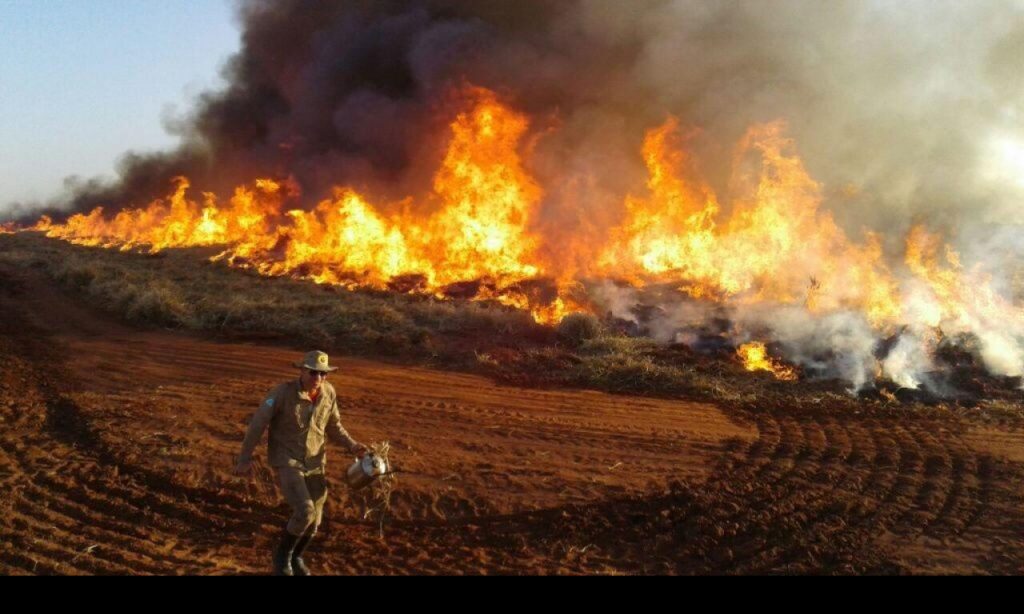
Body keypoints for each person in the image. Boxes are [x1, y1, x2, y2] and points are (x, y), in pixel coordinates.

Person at [235, 350, 367, 576]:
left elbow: (334, 426)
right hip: (287, 459)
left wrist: (353, 445)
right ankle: (281, 558)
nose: (318, 378)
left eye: (323, 374)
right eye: (313, 372)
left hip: (315, 461)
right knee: (305, 510)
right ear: (302, 371)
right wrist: (244, 459)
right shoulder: (281, 393)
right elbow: (257, 424)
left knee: (315, 518)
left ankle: (296, 556)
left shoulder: (328, 393)